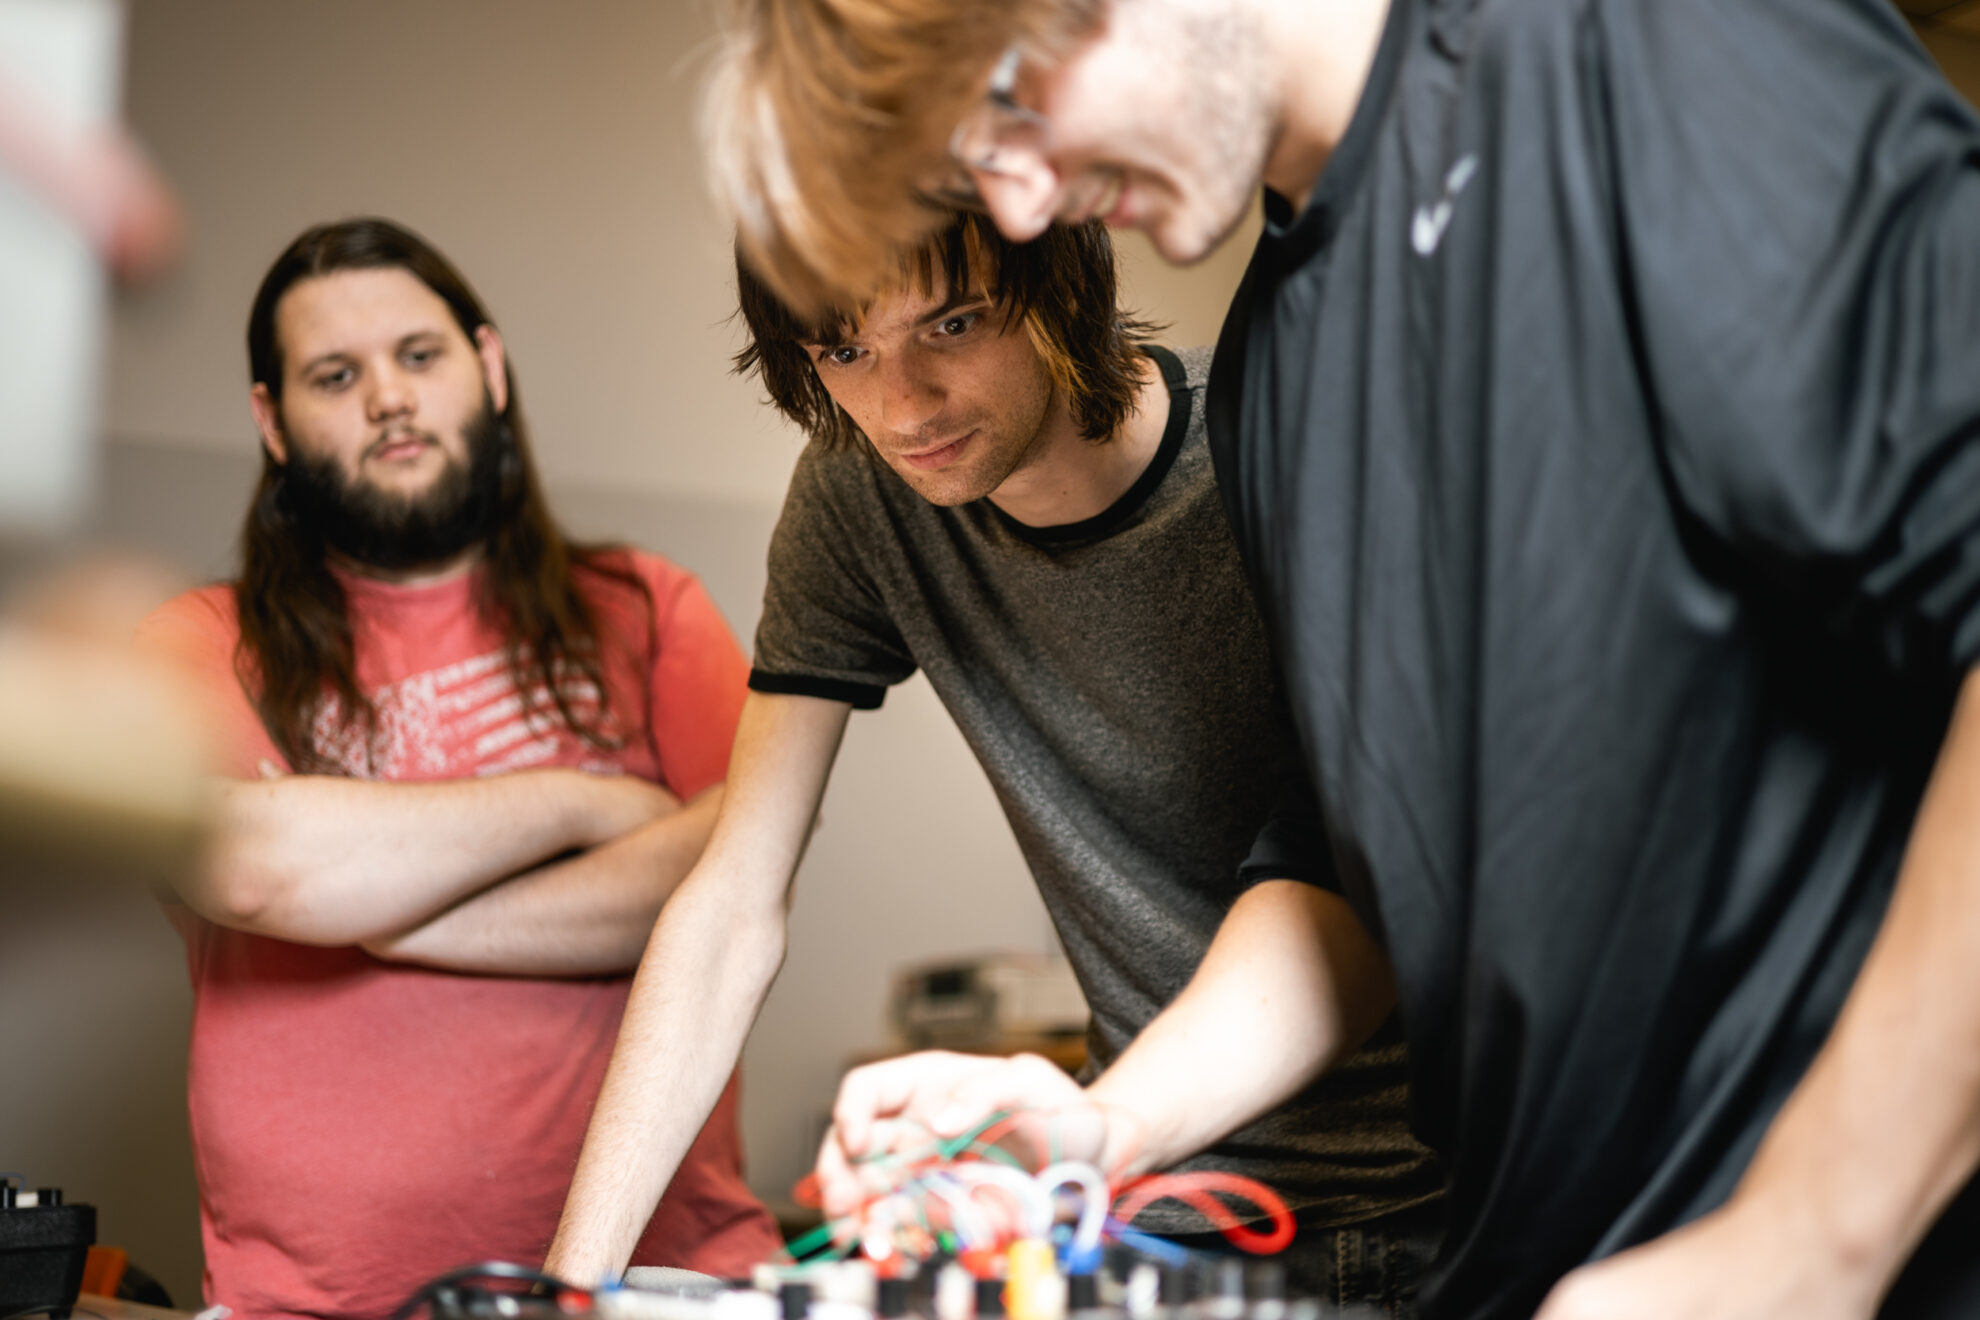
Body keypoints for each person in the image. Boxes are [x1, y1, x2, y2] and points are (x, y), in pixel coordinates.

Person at [696, 1, 1980, 1318]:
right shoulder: (1280, 359)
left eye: (1010, 101)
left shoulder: (1645, 46)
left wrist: (1819, 1231)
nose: (1018, 201)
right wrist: (1096, 1130)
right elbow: (1349, 869)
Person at [544, 212, 1444, 1307]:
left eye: (953, 323)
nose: (900, 406)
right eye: (844, 351)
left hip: (1425, 1201)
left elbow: (1348, 874)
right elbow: (732, 899)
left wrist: (1101, 1130)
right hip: (1139, 1204)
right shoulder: (860, 498)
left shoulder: (1275, 451)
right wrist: (565, 1289)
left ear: (1060, 283)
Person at [134, 218, 781, 1319]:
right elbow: (251, 866)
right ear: (271, 422)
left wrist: (383, 914)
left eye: (419, 357)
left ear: (485, 366)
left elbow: (734, 868)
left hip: (658, 1289)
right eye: (335, 375)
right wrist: (585, 803)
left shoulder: (647, 608)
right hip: (312, 1307)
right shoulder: (195, 643)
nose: (388, 397)